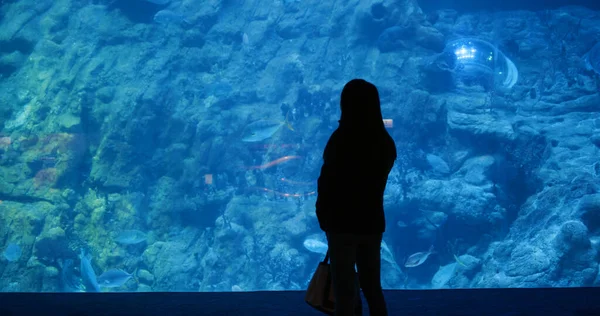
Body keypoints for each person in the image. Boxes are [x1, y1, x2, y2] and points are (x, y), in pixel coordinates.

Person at [315, 79, 397, 316]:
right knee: (372, 288)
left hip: (341, 224)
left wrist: (323, 216)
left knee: (344, 293)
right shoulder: (384, 142)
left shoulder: (340, 139)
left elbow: (326, 182)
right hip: (371, 222)